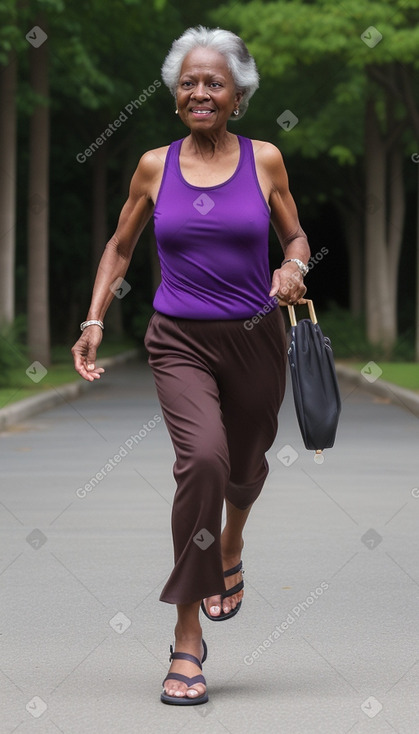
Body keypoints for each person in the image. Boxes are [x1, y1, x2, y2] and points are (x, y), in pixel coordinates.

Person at [71, 25, 310, 706]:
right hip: (179, 338)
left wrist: (291, 266)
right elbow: (119, 249)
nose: (198, 91)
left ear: (237, 96)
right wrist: (93, 320)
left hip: (256, 337)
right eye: (187, 81)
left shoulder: (265, 161)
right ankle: (184, 637)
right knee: (201, 461)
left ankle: (231, 544)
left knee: (243, 466)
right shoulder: (154, 165)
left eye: (213, 82)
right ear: (175, 94)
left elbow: (293, 234)